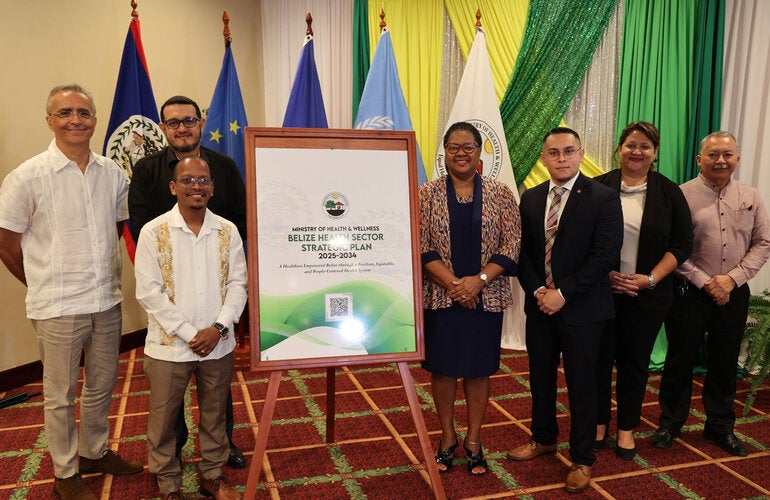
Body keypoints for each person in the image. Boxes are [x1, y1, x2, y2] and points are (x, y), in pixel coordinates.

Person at [0, 84, 143, 500]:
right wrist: (43, 281)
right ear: (50, 120)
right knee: (59, 395)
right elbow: (7, 243)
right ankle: (65, 473)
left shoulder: (113, 173)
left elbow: (116, 229)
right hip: (58, 306)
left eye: (83, 112)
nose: (75, 119)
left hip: (106, 299)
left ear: (95, 120)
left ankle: (95, 452)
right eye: (65, 113)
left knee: (101, 384)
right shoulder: (27, 176)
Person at [129, 95, 248, 468]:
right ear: (163, 128)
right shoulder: (148, 172)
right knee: (166, 409)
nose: (182, 127)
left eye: (189, 120)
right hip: (171, 310)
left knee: (216, 403)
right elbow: (142, 235)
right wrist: (183, 328)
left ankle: (218, 456)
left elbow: (240, 227)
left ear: (200, 123)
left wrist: (219, 323)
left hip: (217, 313)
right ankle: (170, 465)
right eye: (174, 122)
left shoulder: (225, 167)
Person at [507, 127, 622, 493]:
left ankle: (583, 458)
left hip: (584, 310)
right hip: (541, 307)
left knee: (582, 385)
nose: (561, 159)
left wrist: (564, 293)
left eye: (569, 152)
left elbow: (605, 255)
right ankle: (543, 438)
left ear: (581, 153)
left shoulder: (603, 197)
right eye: (553, 153)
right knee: (540, 377)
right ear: (544, 157)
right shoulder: (531, 198)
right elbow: (521, 254)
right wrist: (541, 290)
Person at [651, 131, 770, 456]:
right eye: (714, 154)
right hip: (688, 290)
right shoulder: (680, 195)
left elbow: (763, 243)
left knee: (725, 359)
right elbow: (674, 247)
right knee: (680, 358)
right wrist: (706, 281)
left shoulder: (751, 195)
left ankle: (720, 426)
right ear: (699, 159)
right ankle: (670, 422)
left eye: (728, 154)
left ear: (737, 159)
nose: (721, 160)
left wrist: (731, 280)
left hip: (734, 292)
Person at [419, 122, 521, 476]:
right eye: (453, 147)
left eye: (468, 147)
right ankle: (447, 437)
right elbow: (420, 246)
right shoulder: (425, 193)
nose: (461, 153)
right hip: (440, 297)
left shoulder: (500, 192)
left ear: (480, 152)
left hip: (486, 297)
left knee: (479, 371)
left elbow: (512, 244)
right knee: (444, 370)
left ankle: (474, 440)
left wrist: (477, 282)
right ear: (444, 152)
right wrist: (455, 285)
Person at [593, 122, 693, 460]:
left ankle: (626, 429)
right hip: (600, 291)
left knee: (634, 363)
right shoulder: (596, 187)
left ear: (655, 153)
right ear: (619, 148)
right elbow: (578, 241)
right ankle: (598, 424)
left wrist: (649, 278)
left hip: (647, 295)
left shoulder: (669, 192)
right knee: (598, 361)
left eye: (645, 147)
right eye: (631, 145)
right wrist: (604, 274)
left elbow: (682, 245)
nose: (637, 152)